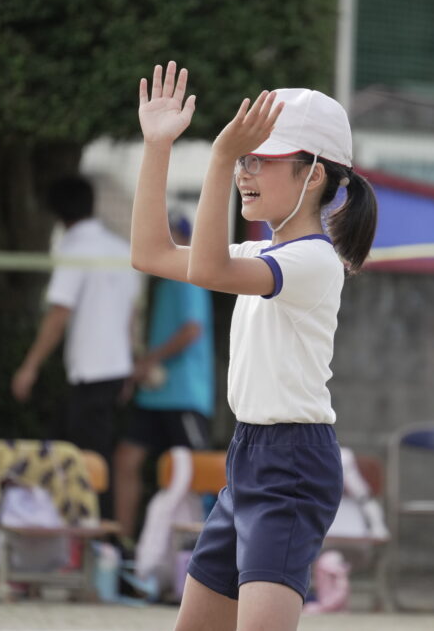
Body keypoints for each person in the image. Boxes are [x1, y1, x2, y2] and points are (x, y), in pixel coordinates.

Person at [130, 61, 377, 631]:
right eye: (245, 158)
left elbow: (209, 267)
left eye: (261, 159)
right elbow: (149, 253)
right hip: (249, 456)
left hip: (292, 464)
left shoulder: (314, 259)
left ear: (313, 175)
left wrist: (219, 158)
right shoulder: (260, 254)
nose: (246, 170)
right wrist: (158, 146)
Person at [12, 174, 140, 514]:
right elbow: (130, 316)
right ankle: (71, 528)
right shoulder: (121, 249)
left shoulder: (75, 249)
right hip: (114, 370)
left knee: (90, 461)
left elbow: (59, 313)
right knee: (80, 452)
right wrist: (129, 365)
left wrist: (29, 367)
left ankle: (101, 537)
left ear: (56, 214)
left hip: (91, 371)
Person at [113, 211, 216, 542]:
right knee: (126, 460)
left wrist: (148, 361)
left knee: (201, 474)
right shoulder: (161, 278)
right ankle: (123, 546)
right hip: (155, 394)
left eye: (169, 233)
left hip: (185, 394)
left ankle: (211, 550)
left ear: (183, 239)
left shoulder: (188, 272)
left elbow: (192, 330)